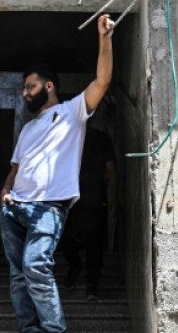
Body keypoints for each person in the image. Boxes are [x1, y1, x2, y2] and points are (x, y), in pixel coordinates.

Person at [0, 14, 114, 333]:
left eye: (29, 86)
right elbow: (15, 167)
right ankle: (29, 329)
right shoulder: (28, 128)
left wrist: (104, 38)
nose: (24, 93)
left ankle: (53, 330)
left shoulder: (71, 113)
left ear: (48, 86)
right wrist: (5, 191)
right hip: (13, 208)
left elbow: (102, 81)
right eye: (23, 88)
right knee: (18, 275)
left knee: (36, 266)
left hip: (48, 207)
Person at [60, 125, 117, 299]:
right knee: (65, 240)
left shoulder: (101, 139)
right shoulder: (66, 138)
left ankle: (92, 285)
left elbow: (111, 171)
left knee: (95, 247)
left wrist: (114, 201)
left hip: (94, 201)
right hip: (69, 202)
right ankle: (75, 266)